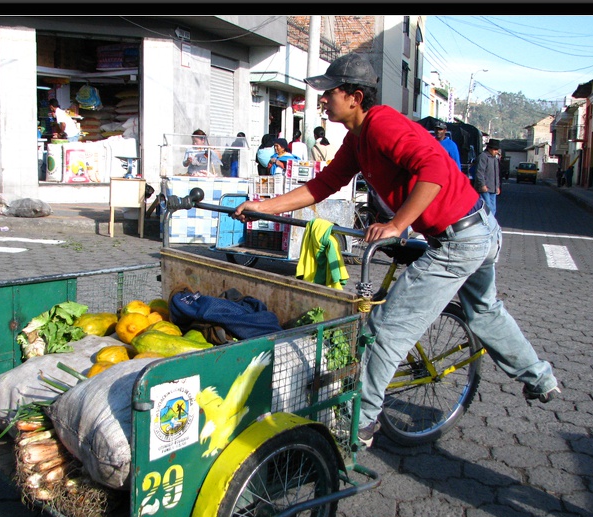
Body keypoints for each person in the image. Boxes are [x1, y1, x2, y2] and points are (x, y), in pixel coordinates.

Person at [233, 52, 559, 447]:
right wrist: (262, 208)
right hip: (474, 231)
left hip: (461, 239)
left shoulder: (382, 125)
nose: (322, 100)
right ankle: (540, 378)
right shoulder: (357, 139)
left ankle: (361, 425)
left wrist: (396, 224)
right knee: (485, 312)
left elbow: (435, 171)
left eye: (328, 92)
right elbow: (323, 185)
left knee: (385, 330)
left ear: (354, 96)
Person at [474, 138, 502, 216]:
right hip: (485, 188)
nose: (496, 151)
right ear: (489, 148)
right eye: (495, 149)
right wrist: (482, 185)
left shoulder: (495, 159)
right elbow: (480, 172)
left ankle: (491, 224)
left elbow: (496, 174)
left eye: (497, 149)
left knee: (493, 209)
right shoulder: (483, 156)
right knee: (487, 208)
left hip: (493, 188)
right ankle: (487, 224)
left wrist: (497, 186)